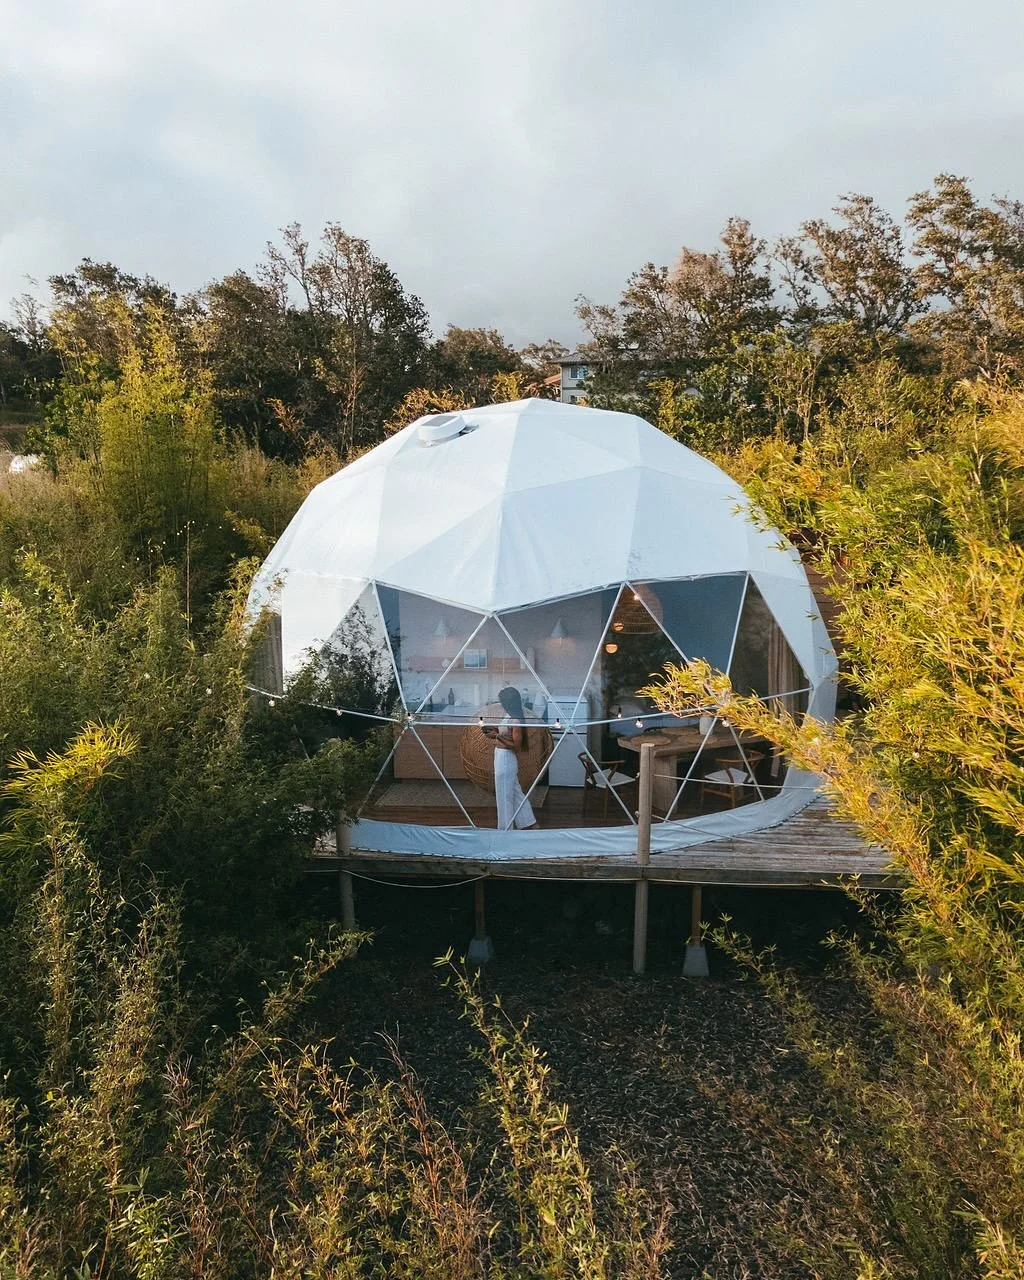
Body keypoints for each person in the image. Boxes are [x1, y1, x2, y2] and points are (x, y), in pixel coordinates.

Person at [489, 686, 537, 830]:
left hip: (506, 760)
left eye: (502, 702)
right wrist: (497, 732)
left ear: (508, 703)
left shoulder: (515, 720)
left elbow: (516, 745)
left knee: (504, 796)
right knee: (515, 793)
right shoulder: (509, 716)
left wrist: (496, 736)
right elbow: (507, 734)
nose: (501, 704)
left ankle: (505, 829)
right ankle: (529, 822)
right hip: (501, 757)